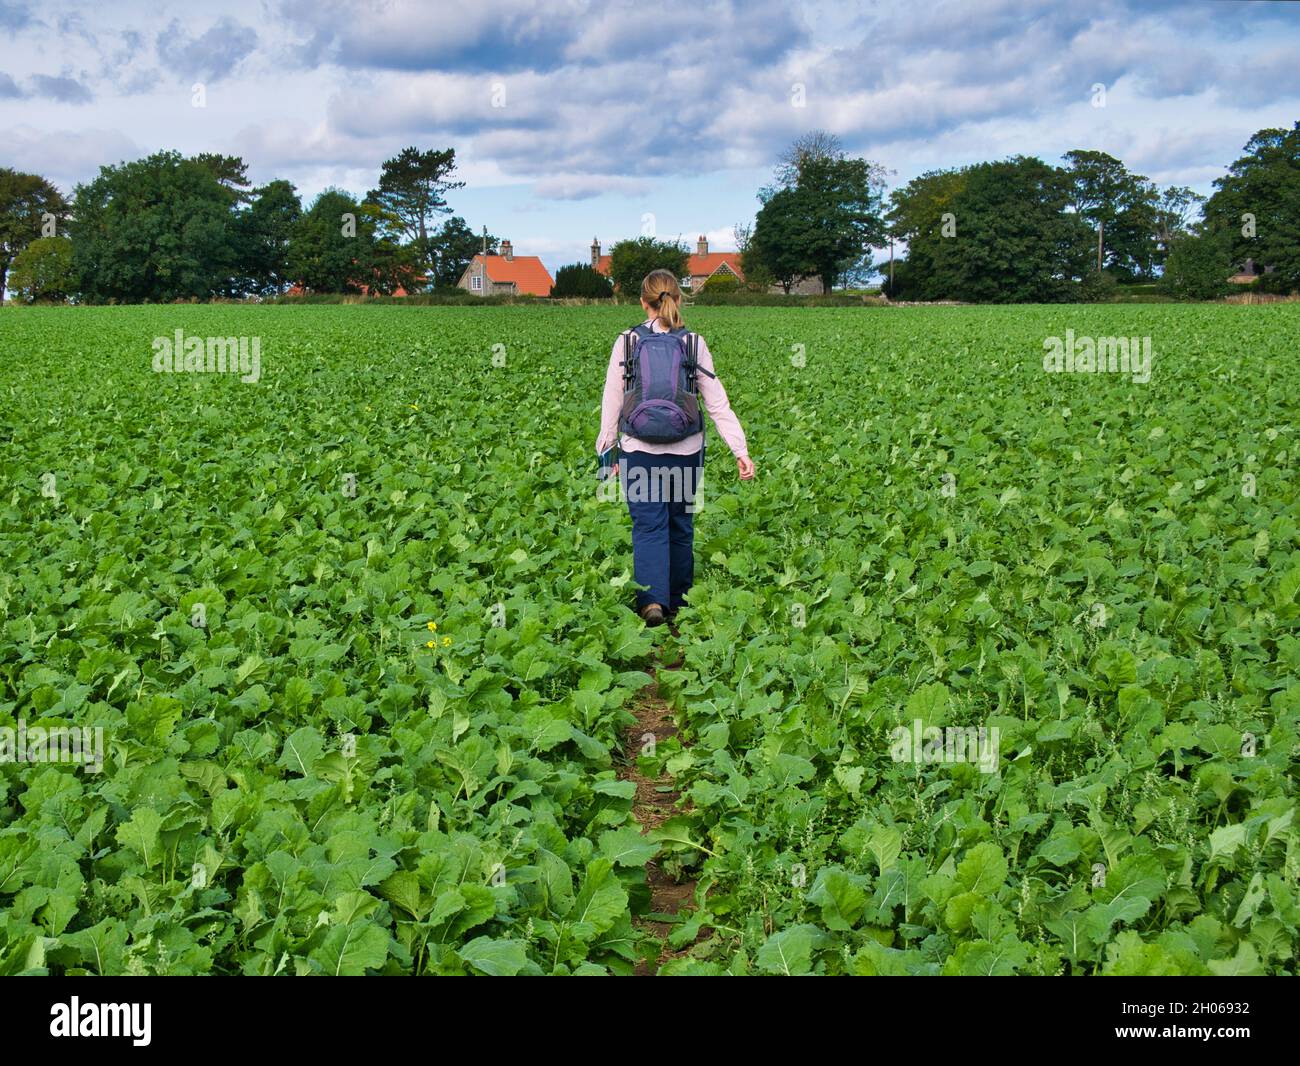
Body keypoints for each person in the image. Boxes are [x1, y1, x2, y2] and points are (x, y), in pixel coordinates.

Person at [596, 269, 755, 627]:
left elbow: (612, 400)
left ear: (642, 302)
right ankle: (680, 602)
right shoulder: (693, 343)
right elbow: (717, 403)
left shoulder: (626, 342)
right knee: (680, 524)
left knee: (647, 526)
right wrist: (740, 450)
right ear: (678, 299)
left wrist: (607, 454)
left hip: (638, 450)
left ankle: (652, 602)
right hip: (686, 451)